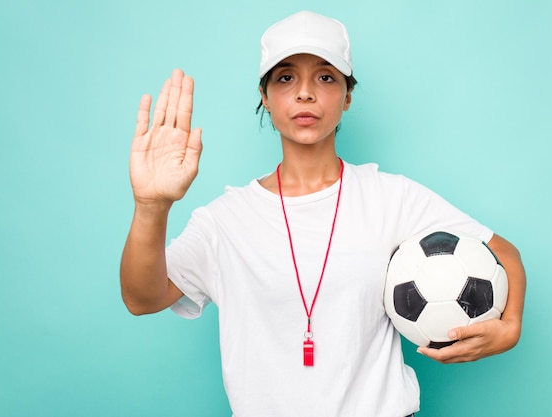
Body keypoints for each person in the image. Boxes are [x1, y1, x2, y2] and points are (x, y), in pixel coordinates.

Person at [120, 10, 526, 417]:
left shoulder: (390, 198)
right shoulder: (225, 220)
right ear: (264, 95)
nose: (305, 93)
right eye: (285, 77)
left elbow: (503, 254)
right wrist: (151, 207)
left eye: (326, 77)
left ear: (347, 96)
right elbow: (143, 297)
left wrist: (509, 328)